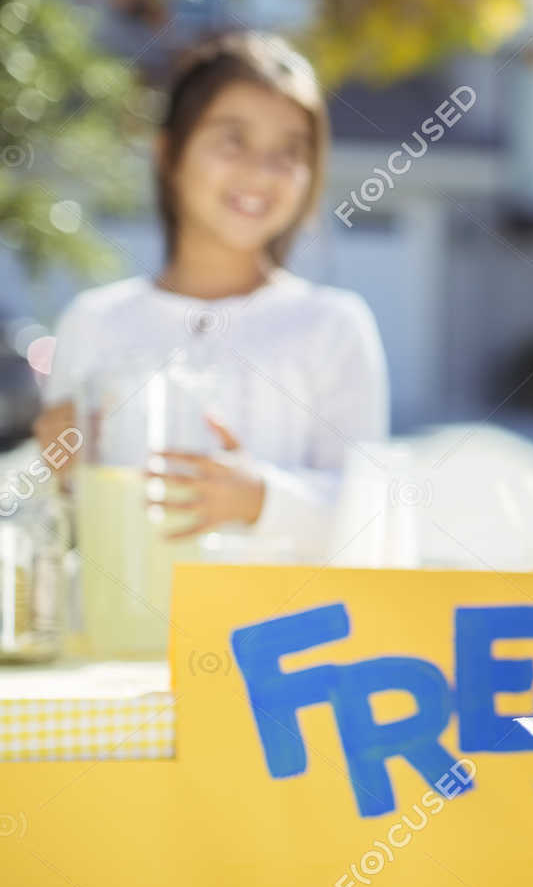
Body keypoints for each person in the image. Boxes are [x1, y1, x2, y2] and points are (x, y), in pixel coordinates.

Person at [33, 29, 389, 561]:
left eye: (289, 152)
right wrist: (60, 477)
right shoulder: (95, 322)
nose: (260, 172)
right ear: (169, 153)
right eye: (233, 140)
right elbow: (62, 535)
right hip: (128, 637)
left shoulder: (332, 325)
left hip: (277, 639)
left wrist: (262, 500)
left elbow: (372, 521)